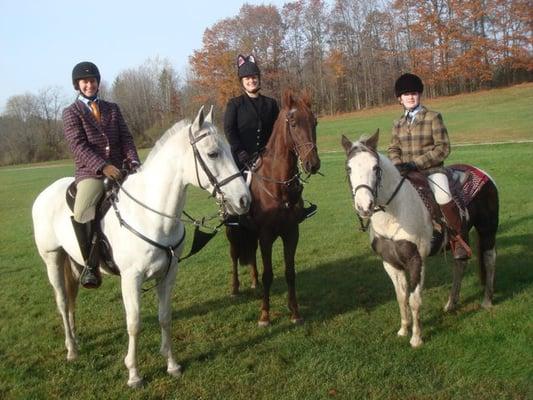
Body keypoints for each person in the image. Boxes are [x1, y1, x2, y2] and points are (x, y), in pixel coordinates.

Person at [63, 61, 140, 288]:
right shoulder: (71, 113)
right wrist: (103, 166)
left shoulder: (112, 108)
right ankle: (90, 265)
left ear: (98, 82)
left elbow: (126, 138)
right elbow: (78, 146)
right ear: (78, 85)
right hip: (91, 173)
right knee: (82, 210)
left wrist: (133, 160)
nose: (89, 85)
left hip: (121, 168)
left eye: (93, 81)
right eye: (85, 82)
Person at [223, 54, 316, 224]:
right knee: (237, 181)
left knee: (290, 174)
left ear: (258, 79)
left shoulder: (270, 103)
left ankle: (299, 206)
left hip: (267, 154)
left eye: (254, 77)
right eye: (247, 78)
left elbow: (278, 129)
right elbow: (229, 130)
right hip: (243, 155)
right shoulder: (234, 104)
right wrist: (240, 151)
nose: (251, 81)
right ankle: (234, 214)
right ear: (242, 81)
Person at [387, 73, 471, 260]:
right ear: (399, 98)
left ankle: (458, 240)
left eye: (414, 93)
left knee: (443, 196)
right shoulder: (398, 123)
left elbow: (443, 147)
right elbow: (393, 147)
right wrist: (397, 164)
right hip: (404, 172)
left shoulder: (433, 117)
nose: (410, 97)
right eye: (406, 94)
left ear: (419, 95)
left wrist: (415, 163)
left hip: (431, 170)